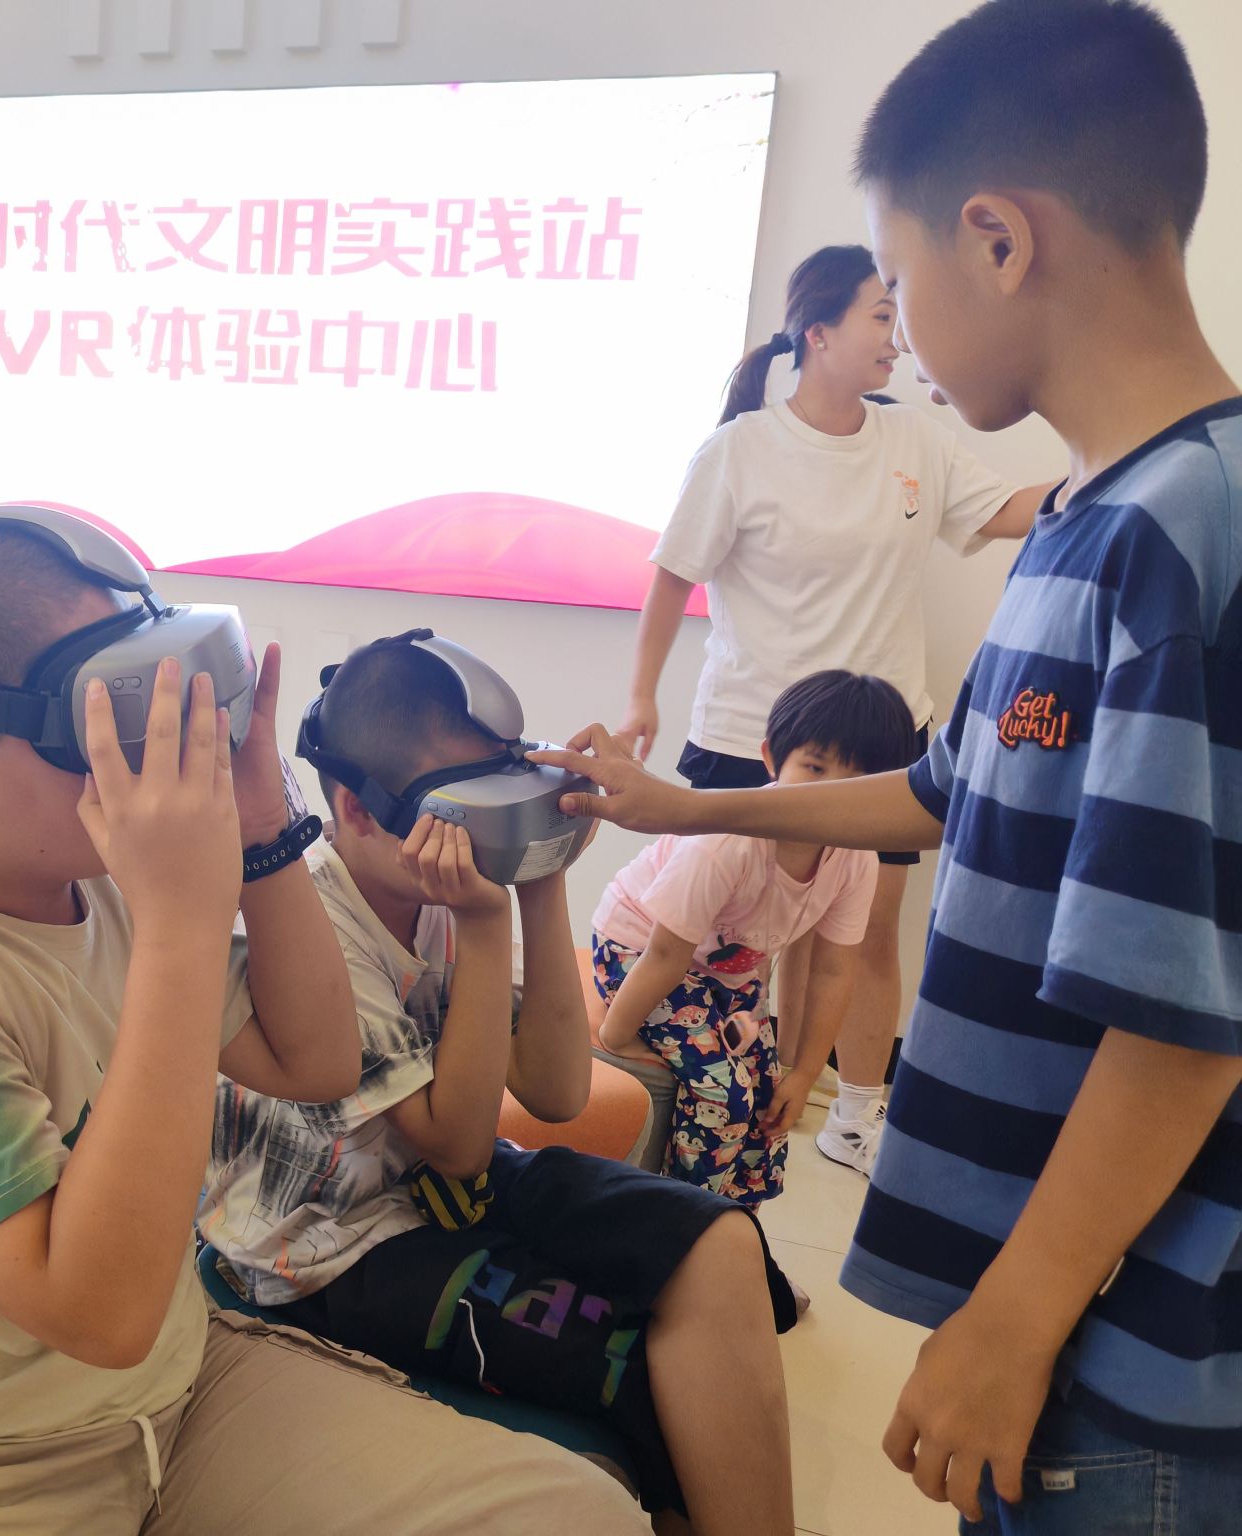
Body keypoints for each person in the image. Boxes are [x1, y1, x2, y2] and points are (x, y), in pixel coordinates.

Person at [543, 4, 1241, 1525]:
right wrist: (683, 803)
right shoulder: (1085, 518)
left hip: (1135, 1347)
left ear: (997, 238)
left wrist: (1017, 1320)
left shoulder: (1189, 535)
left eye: (897, 278)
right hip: (1063, 1309)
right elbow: (942, 793)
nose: (900, 332)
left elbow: (1185, 1014)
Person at [0, 511, 648, 1534]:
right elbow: (98, 1313)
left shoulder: (102, 886)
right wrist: (181, 922)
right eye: (106, 718)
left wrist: (261, 829)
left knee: (575, 1516)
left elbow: (315, 1062)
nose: (159, 751)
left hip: (169, 1398)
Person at [201, 632, 796, 1536]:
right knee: (637, 1364)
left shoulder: (439, 889)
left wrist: (540, 879)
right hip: (325, 1248)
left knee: (719, 1241)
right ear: (359, 810)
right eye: (465, 808)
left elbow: (556, 1092)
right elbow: (456, 1143)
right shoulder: (317, 926)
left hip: (441, 1189)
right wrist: (486, 924)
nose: (489, 832)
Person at [617, 244, 1051, 1178]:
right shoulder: (741, 449)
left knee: (861, 934)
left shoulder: (915, 440)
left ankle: (854, 1117)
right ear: (818, 332)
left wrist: (1103, 469)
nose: (898, 335)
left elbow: (1005, 510)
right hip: (755, 739)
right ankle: (682, 1103)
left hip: (883, 744)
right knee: (726, 942)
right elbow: (672, 576)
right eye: (880, 316)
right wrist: (642, 694)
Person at [591, 672, 915, 1206]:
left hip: (724, 971)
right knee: (725, 1098)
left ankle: (737, 1229)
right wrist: (617, 1035)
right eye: (815, 768)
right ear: (771, 759)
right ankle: (685, 1223)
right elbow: (666, 953)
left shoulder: (856, 859)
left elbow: (834, 970)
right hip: (637, 949)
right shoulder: (727, 843)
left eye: (857, 781)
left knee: (769, 1103)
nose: (830, 794)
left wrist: (802, 1074)